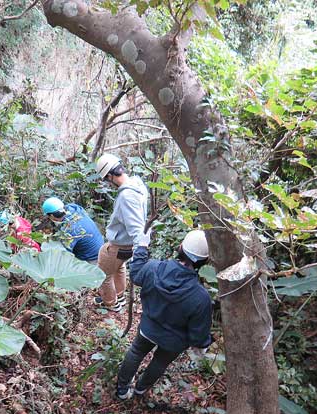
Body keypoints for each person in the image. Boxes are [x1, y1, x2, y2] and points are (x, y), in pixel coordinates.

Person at [116, 229, 213, 400]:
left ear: (180, 247)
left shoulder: (154, 267)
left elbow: (136, 275)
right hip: (173, 342)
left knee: (136, 351)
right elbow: (198, 336)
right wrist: (204, 344)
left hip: (148, 328)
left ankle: (122, 390)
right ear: (205, 261)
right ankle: (140, 390)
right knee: (160, 362)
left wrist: (142, 247)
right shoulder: (201, 297)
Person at [93, 153, 149, 312]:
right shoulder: (137, 184)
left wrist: (140, 254)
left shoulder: (126, 196)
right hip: (126, 246)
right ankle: (120, 297)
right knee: (118, 268)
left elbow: (136, 227)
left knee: (103, 275)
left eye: (106, 179)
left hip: (119, 245)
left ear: (110, 175)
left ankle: (111, 303)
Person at [41, 197, 104, 264]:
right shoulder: (75, 210)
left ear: (51, 215)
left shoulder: (70, 229)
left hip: (93, 259)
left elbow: (64, 255)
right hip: (100, 249)